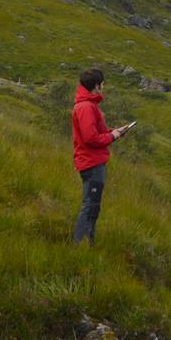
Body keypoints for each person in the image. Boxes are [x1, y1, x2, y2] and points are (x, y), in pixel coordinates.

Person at [71, 67, 131, 245]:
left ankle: (87, 242)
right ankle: (79, 244)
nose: (103, 87)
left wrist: (115, 132)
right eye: (102, 84)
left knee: (93, 205)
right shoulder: (86, 107)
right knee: (90, 205)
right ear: (96, 86)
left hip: (91, 162)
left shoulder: (87, 105)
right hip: (92, 163)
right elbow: (91, 138)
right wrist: (113, 136)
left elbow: (96, 134)